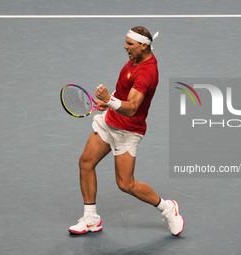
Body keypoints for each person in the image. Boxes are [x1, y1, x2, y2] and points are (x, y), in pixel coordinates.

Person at [68, 26, 184, 236]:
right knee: (85, 163)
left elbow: (131, 108)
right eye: (126, 42)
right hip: (109, 121)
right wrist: (109, 102)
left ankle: (168, 209)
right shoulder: (135, 60)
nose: (125, 46)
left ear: (143, 45)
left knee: (126, 184)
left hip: (128, 131)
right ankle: (91, 218)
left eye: (129, 44)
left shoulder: (147, 73)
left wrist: (109, 100)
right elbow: (123, 89)